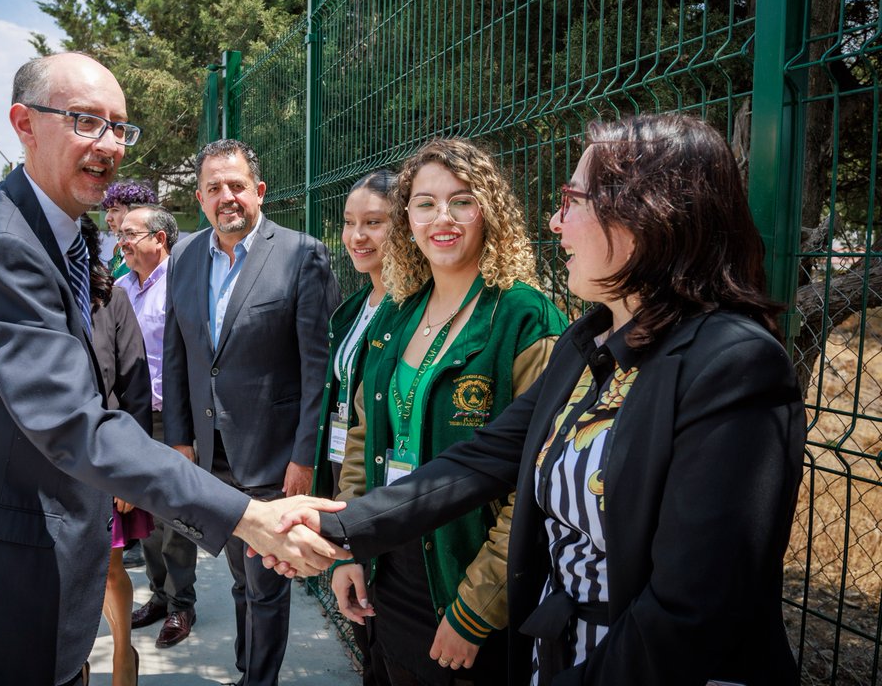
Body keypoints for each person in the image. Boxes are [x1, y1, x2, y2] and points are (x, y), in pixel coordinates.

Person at [279, 114, 807, 686]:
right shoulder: (588, 344)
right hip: (557, 648)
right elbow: (481, 461)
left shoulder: (734, 367)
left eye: (572, 200)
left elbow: (692, 612)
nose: (556, 222)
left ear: (648, 212)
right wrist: (337, 527)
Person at [0, 52, 347, 686]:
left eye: (120, 128)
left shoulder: (59, 232)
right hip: (4, 561)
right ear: (24, 123)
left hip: (46, 545)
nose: (109, 145)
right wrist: (247, 516)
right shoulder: (2, 244)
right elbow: (74, 423)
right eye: (85, 121)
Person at [332, 141, 566, 686]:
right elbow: (363, 442)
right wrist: (349, 547)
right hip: (390, 575)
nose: (442, 219)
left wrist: (476, 608)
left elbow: (536, 481)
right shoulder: (397, 313)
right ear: (406, 216)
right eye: (424, 203)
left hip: (469, 582)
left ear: (490, 210)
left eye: (462, 201)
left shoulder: (525, 318)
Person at [162, 137, 341, 686]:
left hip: (273, 457)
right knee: (241, 574)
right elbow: (178, 353)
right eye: (214, 188)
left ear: (259, 190)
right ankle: (247, 667)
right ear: (199, 198)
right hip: (211, 457)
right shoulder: (186, 255)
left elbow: (319, 368)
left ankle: (257, 679)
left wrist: (304, 456)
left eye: (236, 185)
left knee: (265, 583)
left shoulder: (300, 254)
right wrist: (181, 439)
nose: (227, 197)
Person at [309, 170, 395, 686]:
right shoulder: (352, 308)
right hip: (345, 469)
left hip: (383, 482)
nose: (356, 236)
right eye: (348, 223)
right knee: (365, 629)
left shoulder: (410, 308)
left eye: (374, 223)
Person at [116, 205, 203, 649]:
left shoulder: (184, 284)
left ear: (159, 239)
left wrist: (184, 428)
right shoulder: (118, 288)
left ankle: (181, 604)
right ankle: (158, 594)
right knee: (144, 512)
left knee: (176, 516)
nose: (122, 240)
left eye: (130, 233)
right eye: (120, 233)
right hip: (132, 419)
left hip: (174, 419)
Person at [82, 211, 155, 686]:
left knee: (108, 572)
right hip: (44, 464)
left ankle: (122, 658)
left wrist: (130, 470)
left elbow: (135, 389)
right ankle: (74, 663)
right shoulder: (28, 298)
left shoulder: (114, 300)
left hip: (103, 459)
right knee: (55, 577)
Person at [102, 180, 158, 280]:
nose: (107, 218)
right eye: (107, 211)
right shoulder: (119, 249)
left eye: (115, 210)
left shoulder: (147, 252)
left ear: (137, 211)